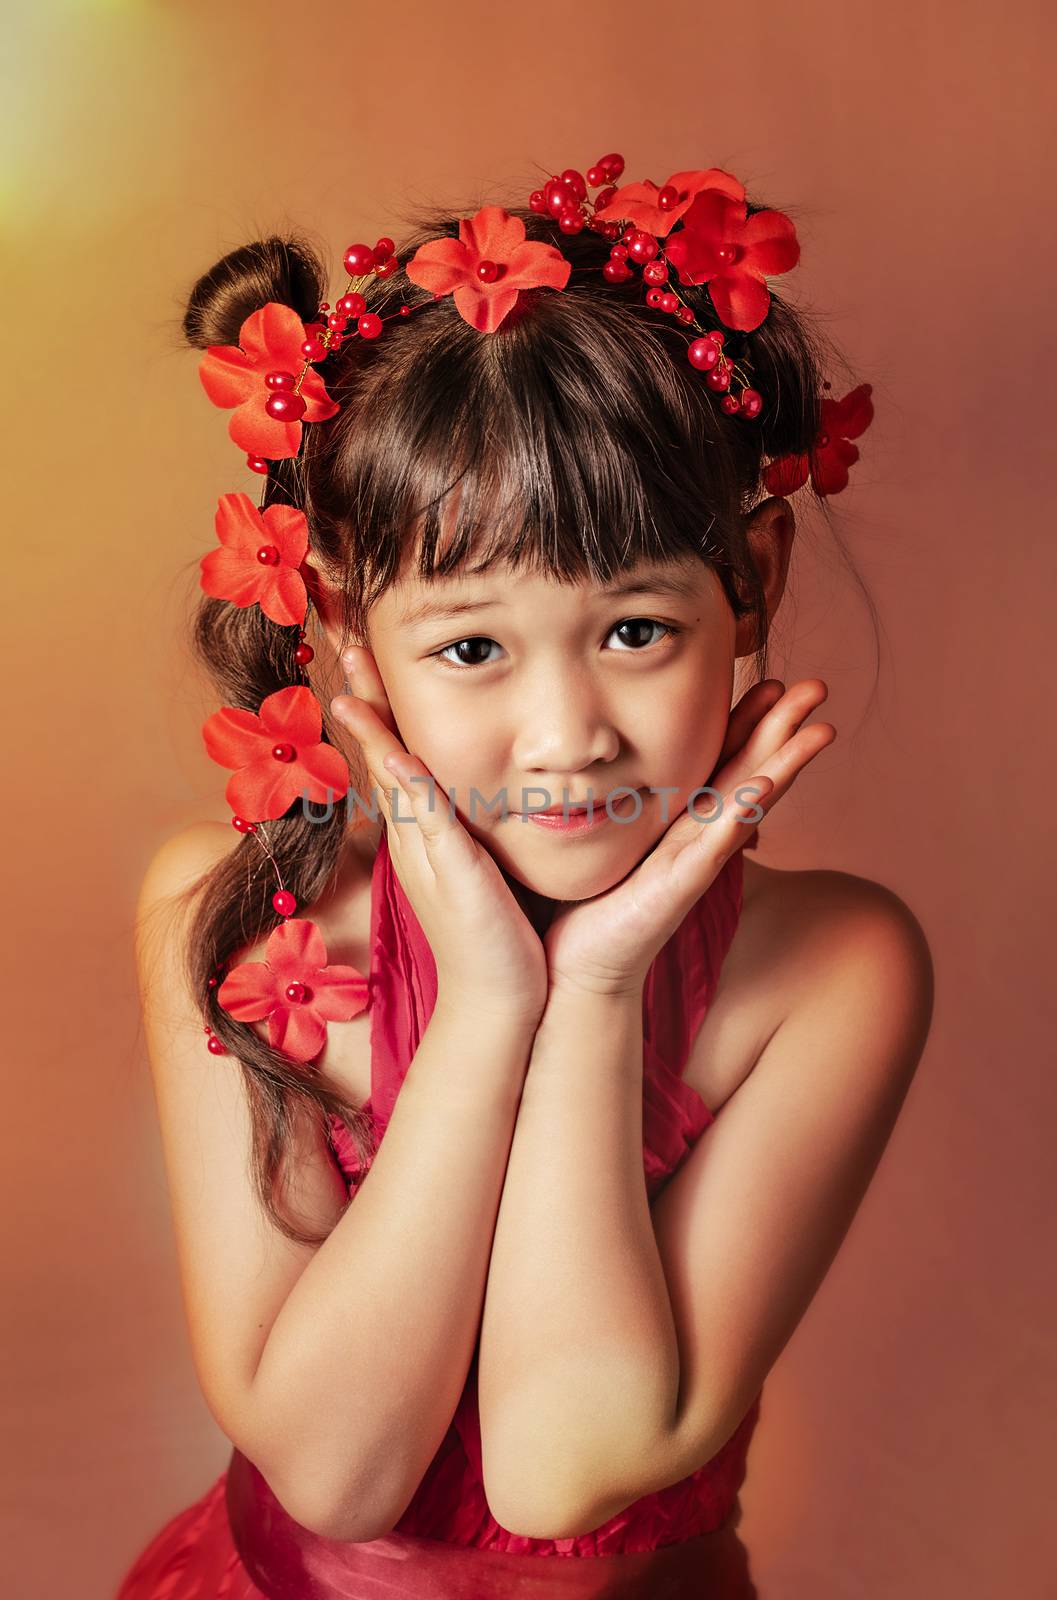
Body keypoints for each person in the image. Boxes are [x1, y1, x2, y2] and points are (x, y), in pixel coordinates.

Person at [116, 160, 934, 1599]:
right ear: (350, 638)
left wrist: (600, 980)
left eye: (632, 630)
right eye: (473, 649)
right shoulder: (242, 915)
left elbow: (562, 1465)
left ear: (749, 582)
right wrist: (489, 996)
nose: (566, 736)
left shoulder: (833, 968)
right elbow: (335, 1471)